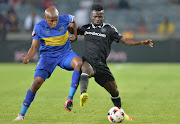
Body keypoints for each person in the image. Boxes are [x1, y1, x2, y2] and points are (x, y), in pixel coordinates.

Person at [77, 3, 153, 121]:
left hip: (101, 65)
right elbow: (71, 32)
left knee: (114, 91)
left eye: (100, 16)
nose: (97, 19)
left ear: (103, 16)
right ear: (91, 16)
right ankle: (83, 94)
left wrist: (141, 42)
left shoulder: (109, 29)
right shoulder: (85, 28)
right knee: (85, 67)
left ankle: (120, 112)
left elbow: (125, 40)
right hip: (89, 62)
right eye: (95, 16)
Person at [14, 7, 82, 121]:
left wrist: (75, 36)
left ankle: (69, 99)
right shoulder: (39, 27)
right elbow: (34, 47)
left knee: (79, 63)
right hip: (48, 57)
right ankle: (21, 114)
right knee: (36, 83)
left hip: (65, 54)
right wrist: (27, 57)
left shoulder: (64, 19)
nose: (55, 22)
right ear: (45, 18)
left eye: (56, 20)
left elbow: (73, 19)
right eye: (51, 21)